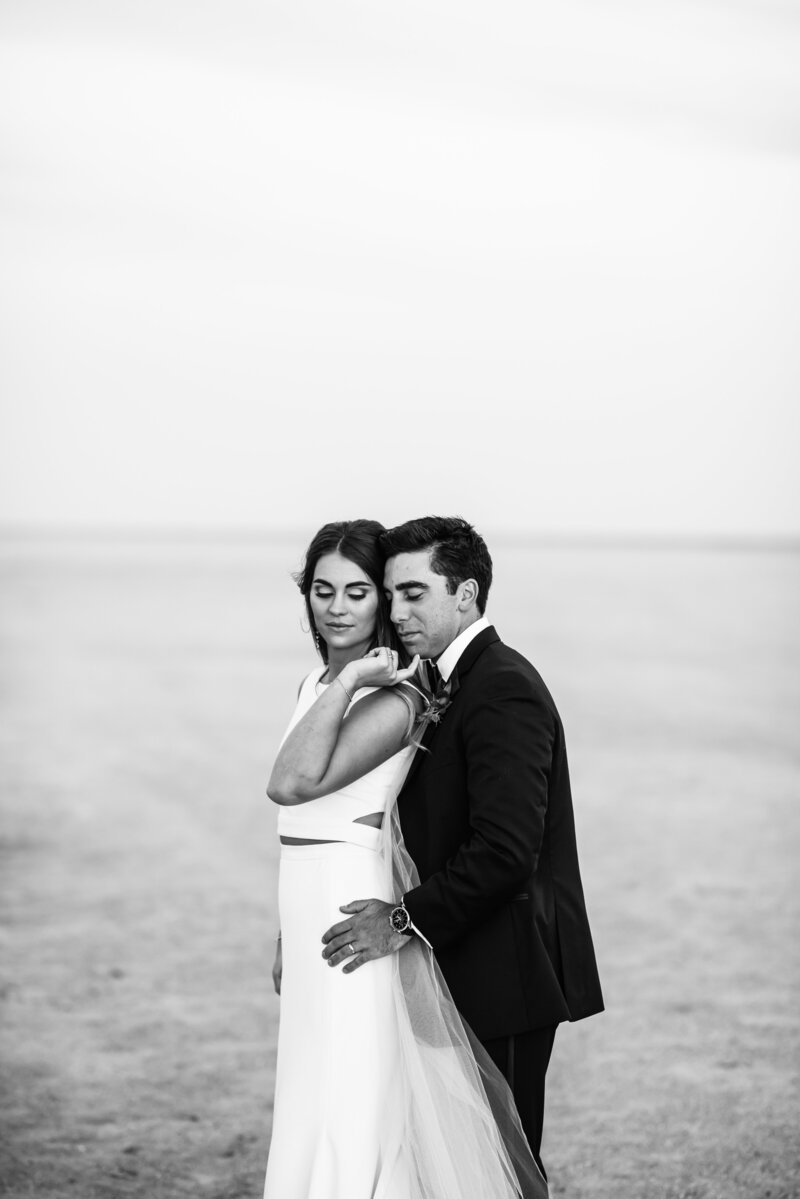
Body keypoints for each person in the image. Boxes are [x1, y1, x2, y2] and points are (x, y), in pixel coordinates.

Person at [263, 518, 548, 1199]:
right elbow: (365, 819)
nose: (339, 607)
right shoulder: (319, 685)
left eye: (362, 592)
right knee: (312, 1077)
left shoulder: (404, 691)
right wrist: (288, 927)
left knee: (359, 1089)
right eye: (323, 590)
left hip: (359, 902)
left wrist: (354, 675)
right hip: (311, 898)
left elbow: (291, 783)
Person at [320, 515, 604, 1179]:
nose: (397, 610)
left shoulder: (501, 685)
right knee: (457, 1166)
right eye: (390, 594)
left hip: (507, 969)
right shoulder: (443, 682)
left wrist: (397, 920)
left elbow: (505, 851)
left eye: (414, 593)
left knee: (503, 1168)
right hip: (462, 961)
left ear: (467, 593)